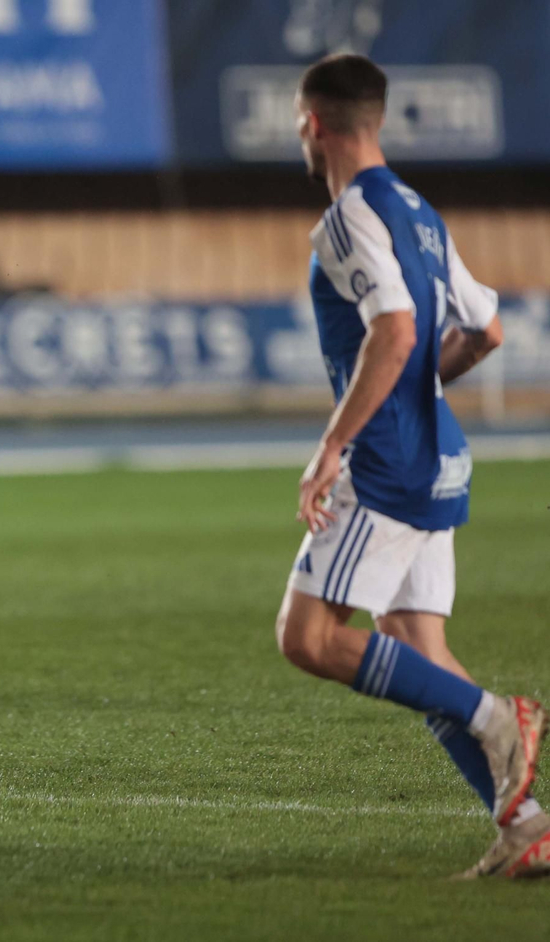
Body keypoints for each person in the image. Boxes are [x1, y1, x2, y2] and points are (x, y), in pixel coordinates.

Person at [278, 53, 544, 878]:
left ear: (313, 124)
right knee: (418, 653)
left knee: (308, 638)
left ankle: (498, 716)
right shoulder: (420, 213)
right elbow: (487, 328)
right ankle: (527, 827)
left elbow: (394, 328)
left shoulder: (347, 218)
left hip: (387, 464)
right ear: (378, 119)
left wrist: (331, 446)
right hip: (439, 455)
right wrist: (419, 389)